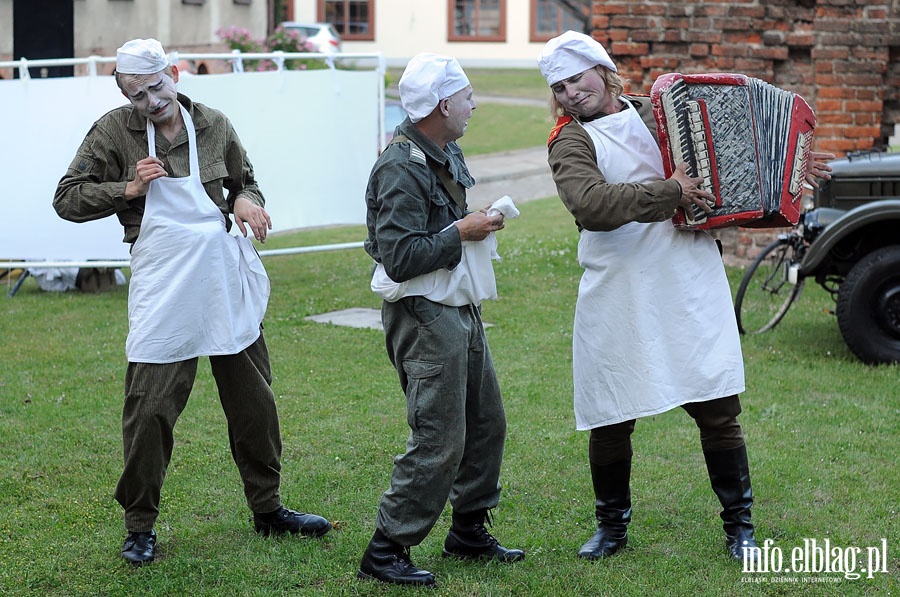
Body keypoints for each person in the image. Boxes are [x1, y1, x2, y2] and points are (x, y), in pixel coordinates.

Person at [537, 31, 833, 562]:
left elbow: (729, 154)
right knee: (611, 411)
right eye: (558, 87)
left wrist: (786, 167)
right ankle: (611, 528)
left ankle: (740, 527)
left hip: (686, 276)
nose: (570, 94)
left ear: (602, 71)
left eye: (576, 79)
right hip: (618, 287)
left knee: (717, 405)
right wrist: (671, 191)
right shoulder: (570, 141)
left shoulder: (662, 113)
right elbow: (590, 206)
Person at [53, 38, 331, 565]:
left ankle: (268, 508)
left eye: (157, 88)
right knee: (150, 408)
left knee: (254, 403)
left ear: (174, 74)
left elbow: (244, 181)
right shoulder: (114, 131)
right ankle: (140, 525)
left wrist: (247, 200)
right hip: (164, 284)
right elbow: (67, 198)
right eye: (138, 95)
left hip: (223, 279)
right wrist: (128, 190)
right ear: (124, 92)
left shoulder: (214, 124)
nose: (151, 102)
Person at [358, 52, 524, 587]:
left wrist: (470, 227)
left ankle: (469, 531)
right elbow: (399, 256)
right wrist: (463, 233)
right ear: (444, 103)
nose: (474, 104)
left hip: (456, 303)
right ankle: (386, 549)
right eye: (467, 96)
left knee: (486, 422)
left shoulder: (441, 148)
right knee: (438, 435)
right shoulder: (401, 166)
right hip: (424, 312)